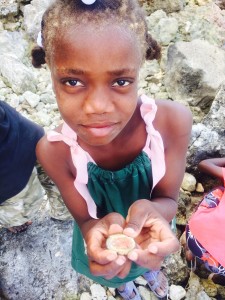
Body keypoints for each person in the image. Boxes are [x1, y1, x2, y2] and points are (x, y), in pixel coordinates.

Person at [32, 0, 192, 298]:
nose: (97, 107)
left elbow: (167, 198)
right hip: (101, 240)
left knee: (150, 251)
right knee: (112, 268)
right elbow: (85, 220)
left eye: (120, 81)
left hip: (152, 225)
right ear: (50, 73)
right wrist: (93, 231)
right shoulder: (53, 151)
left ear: (138, 72)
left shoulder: (172, 123)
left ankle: (150, 269)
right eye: (73, 81)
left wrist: (154, 209)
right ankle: (121, 286)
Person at [0, 100, 45, 233]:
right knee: (57, 179)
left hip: (10, 174)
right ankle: (63, 211)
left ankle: (18, 220)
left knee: (19, 205)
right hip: (31, 134)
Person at [185, 157, 225, 282]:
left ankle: (190, 254)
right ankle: (215, 275)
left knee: (220, 191)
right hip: (218, 266)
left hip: (193, 236)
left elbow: (204, 164)